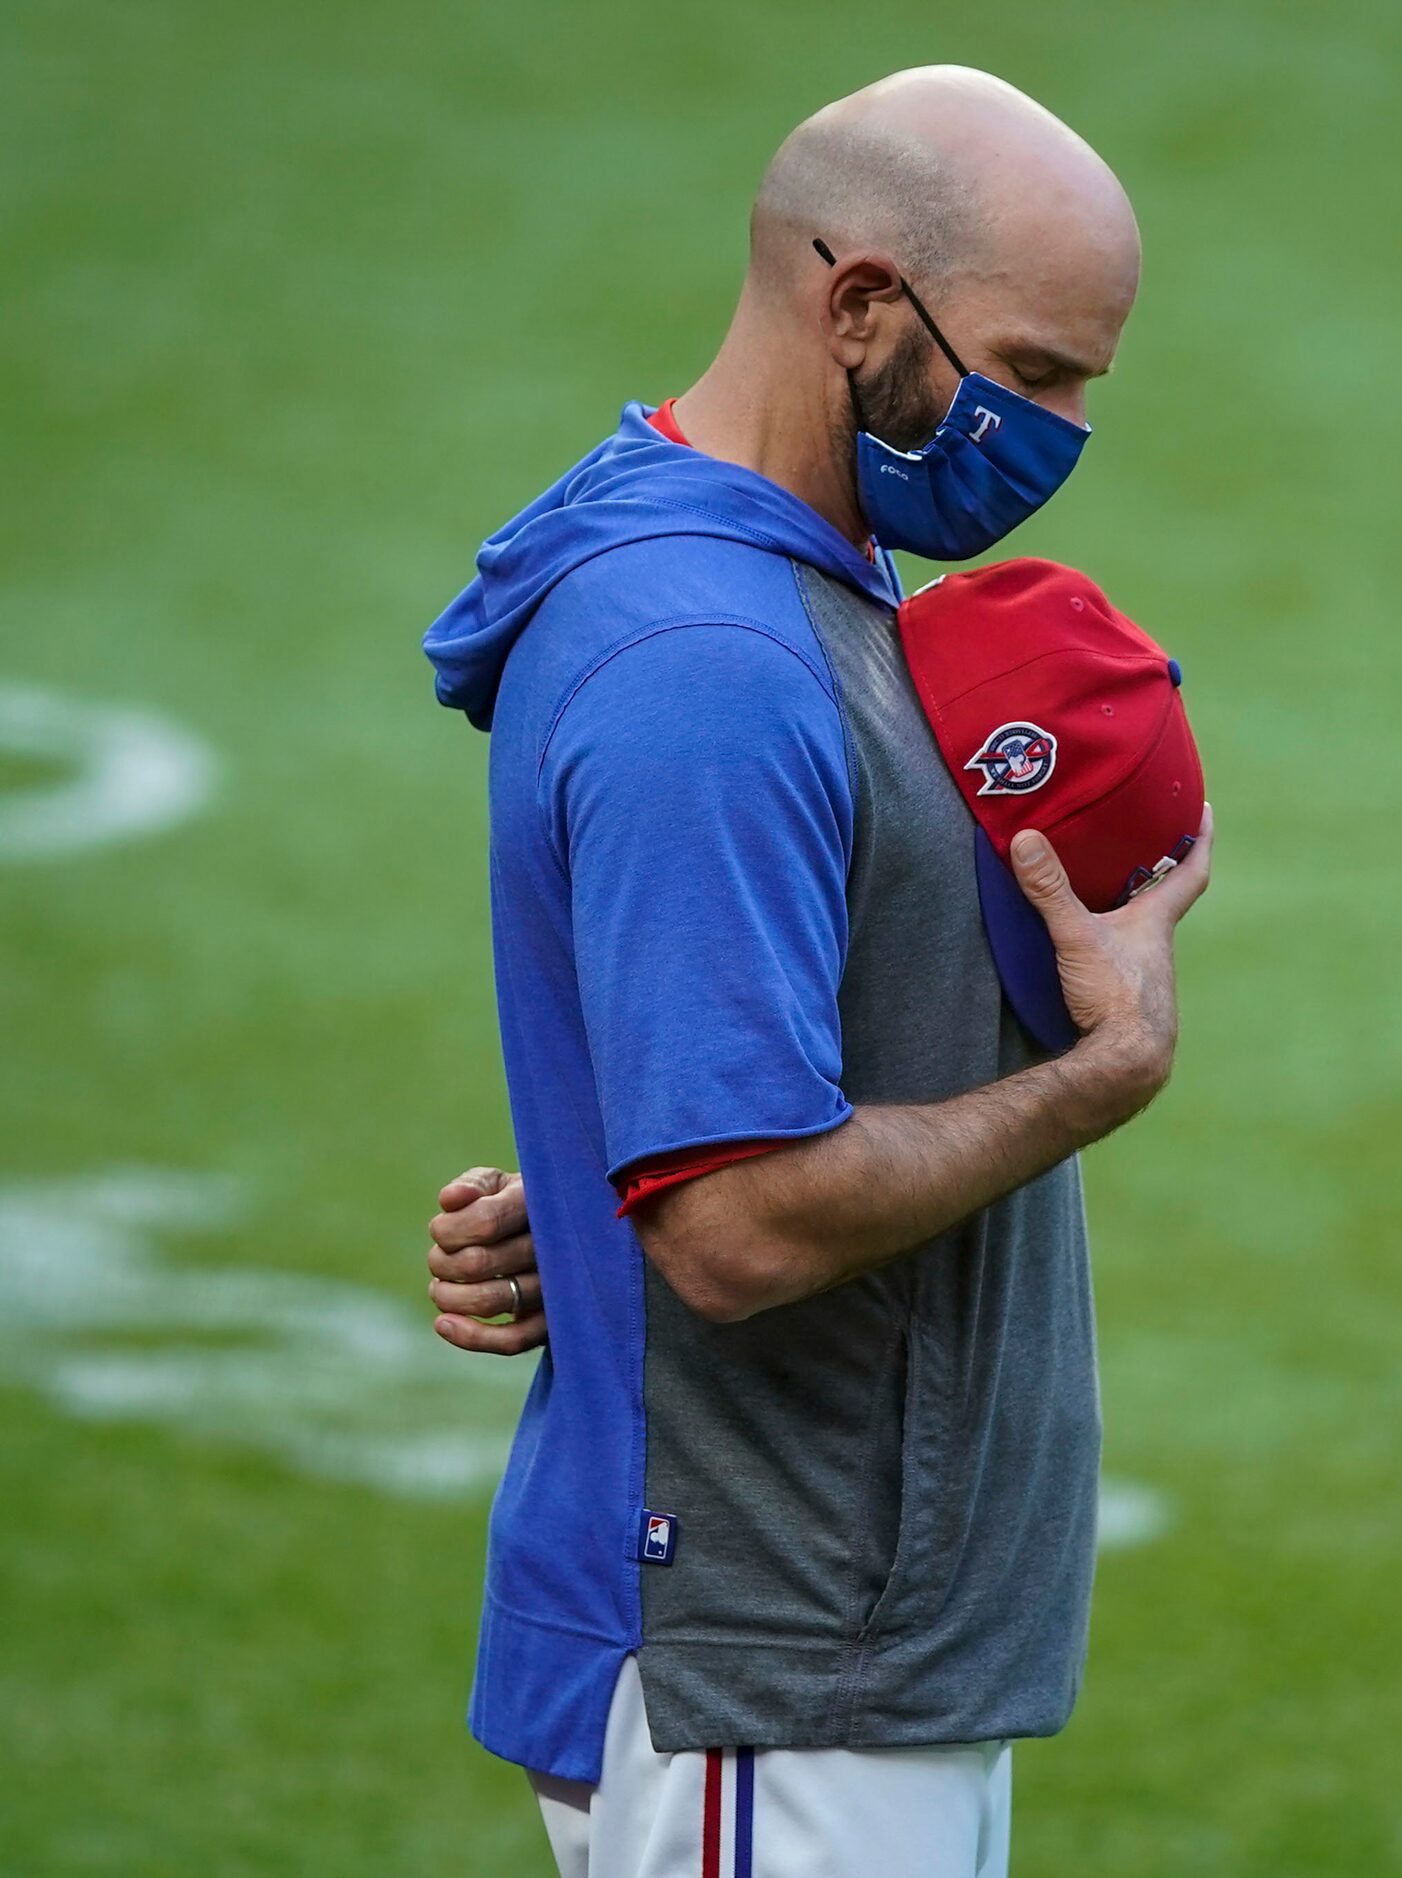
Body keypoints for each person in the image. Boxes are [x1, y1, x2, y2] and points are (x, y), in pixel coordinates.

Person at [417, 67, 1210, 1878]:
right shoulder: (708, 656)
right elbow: (743, 1226)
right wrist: (1098, 1071)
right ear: (857, 304)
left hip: (828, 1654)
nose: (1064, 429)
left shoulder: (791, 569)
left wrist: (600, 1171)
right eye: (1038, 369)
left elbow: (717, 1090)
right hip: (764, 1669)